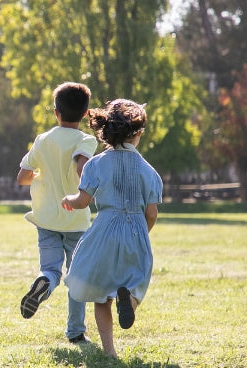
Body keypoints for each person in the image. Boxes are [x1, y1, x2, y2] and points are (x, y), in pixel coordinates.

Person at [61, 99, 162, 357]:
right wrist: (141, 233)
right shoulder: (149, 172)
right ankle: (129, 301)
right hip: (136, 230)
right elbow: (151, 213)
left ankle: (110, 353)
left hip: (104, 229)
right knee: (137, 281)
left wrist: (68, 200)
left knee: (100, 293)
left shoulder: (96, 164)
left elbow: (83, 201)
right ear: (137, 133)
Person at [15, 82, 97, 344]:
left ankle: (43, 282)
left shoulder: (42, 139)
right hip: (75, 218)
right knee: (77, 277)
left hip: (46, 218)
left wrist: (43, 176)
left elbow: (22, 177)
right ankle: (75, 332)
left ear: (55, 112)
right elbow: (82, 167)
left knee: (50, 269)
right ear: (85, 114)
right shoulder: (86, 139)